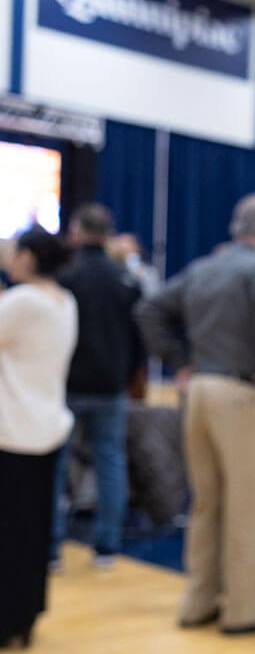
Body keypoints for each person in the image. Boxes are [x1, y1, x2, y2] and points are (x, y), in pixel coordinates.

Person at [134, 192, 255, 635]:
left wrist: (180, 362)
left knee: (207, 504)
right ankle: (243, 611)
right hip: (245, 395)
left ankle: (198, 601)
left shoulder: (205, 267)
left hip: (200, 392)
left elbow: (149, 310)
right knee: (252, 508)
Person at [49, 204, 144, 571]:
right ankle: (107, 545)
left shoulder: (66, 278)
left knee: (57, 464)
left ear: (76, 231)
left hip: (69, 383)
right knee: (110, 461)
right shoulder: (125, 281)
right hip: (111, 386)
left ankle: (52, 547)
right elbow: (139, 335)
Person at [0, 227, 77, 648]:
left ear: (28, 258)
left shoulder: (24, 301)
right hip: (46, 428)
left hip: (14, 432)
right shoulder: (65, 301)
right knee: (33, 533)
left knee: (10, 534)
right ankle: (25, 617)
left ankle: (7, 619)